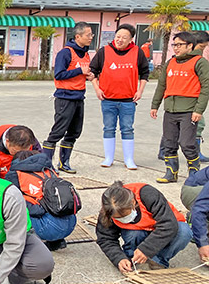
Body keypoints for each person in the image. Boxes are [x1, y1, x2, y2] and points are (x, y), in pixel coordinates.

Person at [150, 31, 209, 183]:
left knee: (187, 143)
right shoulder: (171, 62)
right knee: (169, 143)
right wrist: (155, 105)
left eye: (180, 45)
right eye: (174, 45)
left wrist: (199, 110)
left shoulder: (200, 62)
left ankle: (194, 174)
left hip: (189, 110)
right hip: (170, 110)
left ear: (190, 46)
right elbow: (161, 85)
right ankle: (171, 173)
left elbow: (206, 87)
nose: (176, 48)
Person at [89, 24, 149, 169]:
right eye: (118, 36)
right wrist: (97, 89)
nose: (120, 40)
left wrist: (140, 91)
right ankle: (108, 158)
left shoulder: (137, 52)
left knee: (127, 129)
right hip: (108, 99)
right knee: (108, 128)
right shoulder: (104, 51)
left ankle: (129, 160)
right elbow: (92, 72)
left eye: (124, 38)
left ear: (131, 39)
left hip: (128, 100)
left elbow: (144, 73)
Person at [97, 181, 191, 272]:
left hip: (164, 229)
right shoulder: (108, 210)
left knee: (184, 232)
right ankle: (132, 258)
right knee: (134, 233)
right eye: (118, 218)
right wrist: (119, 258)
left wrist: (146, 249)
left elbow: (168, 224)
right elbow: (105, 238)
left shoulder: (147, 194)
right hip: (139, 232)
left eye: (125, 216)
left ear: (133, 202)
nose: (124, 219)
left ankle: (158, 260)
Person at [41, 22, 94, 174]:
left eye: (91, 34)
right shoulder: (65, 53)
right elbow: (59, 74)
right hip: (65, 97)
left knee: (75, 131)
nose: (91, 37)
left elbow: (81, 72)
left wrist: (88, 75)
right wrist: (79, 71)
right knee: (58, 131)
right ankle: (46, 164)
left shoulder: (85, 53)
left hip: (79, 97)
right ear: (78, 36)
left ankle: (64, 163)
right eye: (88, 35)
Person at [5, 150, 77, 251]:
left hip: (48, 227)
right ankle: (57, 241)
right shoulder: (49, 170)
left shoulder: (15, 174)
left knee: (11, 207)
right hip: (71, 223)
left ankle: (26, 246)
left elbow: (13, 201)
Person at [180, 166, 209, 264]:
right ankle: (194, 222)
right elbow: (199, 208)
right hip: (193, 190)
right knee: (200, 211)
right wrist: (203, 244)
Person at [192, 31, 209, 162]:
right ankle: (196, 153)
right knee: (198, 123)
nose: (202, 50)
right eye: (202, 47)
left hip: (196, 94)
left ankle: (164, 150)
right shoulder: (194, 59)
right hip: (191, 95)